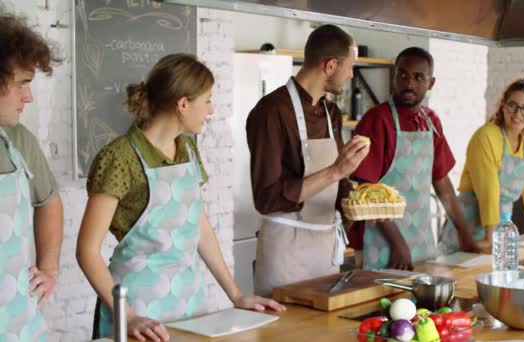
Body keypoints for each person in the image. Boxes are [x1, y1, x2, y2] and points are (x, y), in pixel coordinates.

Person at [76, 54, 285, 342]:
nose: (211, 110)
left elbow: (199, 227)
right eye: (207, 100)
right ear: (183, 104)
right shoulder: (119, 158)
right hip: (137, 310)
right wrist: (130, 316)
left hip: (189, 305)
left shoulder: (186, 149)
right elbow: (87, 250)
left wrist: (235, 295)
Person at [246, 24, 370, 296]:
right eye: (349, 67)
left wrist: (363, 202)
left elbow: (337, 184)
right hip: (286, 254)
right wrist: (336, 172)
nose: (351, 75)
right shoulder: (271, 112)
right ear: (330, 66)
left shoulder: (331, 113)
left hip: (324, 251)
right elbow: (266, 198)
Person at [348, 47, 479, 270]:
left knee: (421, 304)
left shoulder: (431, 121)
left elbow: (442, 182)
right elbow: (367, 190)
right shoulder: (377, 120)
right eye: (403, 75)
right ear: (394, 77)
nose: (409, 84)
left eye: (419, 77)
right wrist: (398, 243)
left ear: (431, 83)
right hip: (382, 240)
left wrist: (464, 233)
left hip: (422, 238)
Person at [0, 14, 64, 341]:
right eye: (22, 83)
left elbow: (49, 202)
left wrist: (49, 268)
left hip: (21, 324)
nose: (29, 97)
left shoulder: (18, 139)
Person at [438, 78, 524, 253]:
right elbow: (488, 189)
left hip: (498, 229)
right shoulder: (486, 137)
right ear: (503, 106)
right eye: (513, 105)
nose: (518, 113)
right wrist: (489, 238)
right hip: (469, 227)